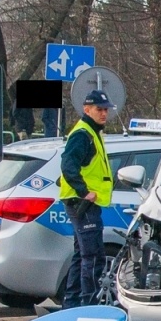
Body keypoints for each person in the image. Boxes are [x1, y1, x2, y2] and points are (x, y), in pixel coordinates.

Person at [58, 89, 115, 308]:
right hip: (83, 203)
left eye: (106, 109)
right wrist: (84, 191)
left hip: (83, 203)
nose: (104, 113)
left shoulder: (92, 132)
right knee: (93, 257)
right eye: (99, 109)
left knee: (81, 255)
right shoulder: (83, 134)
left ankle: (72, 304)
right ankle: (89, 306)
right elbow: (68, 165)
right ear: (87, 109)